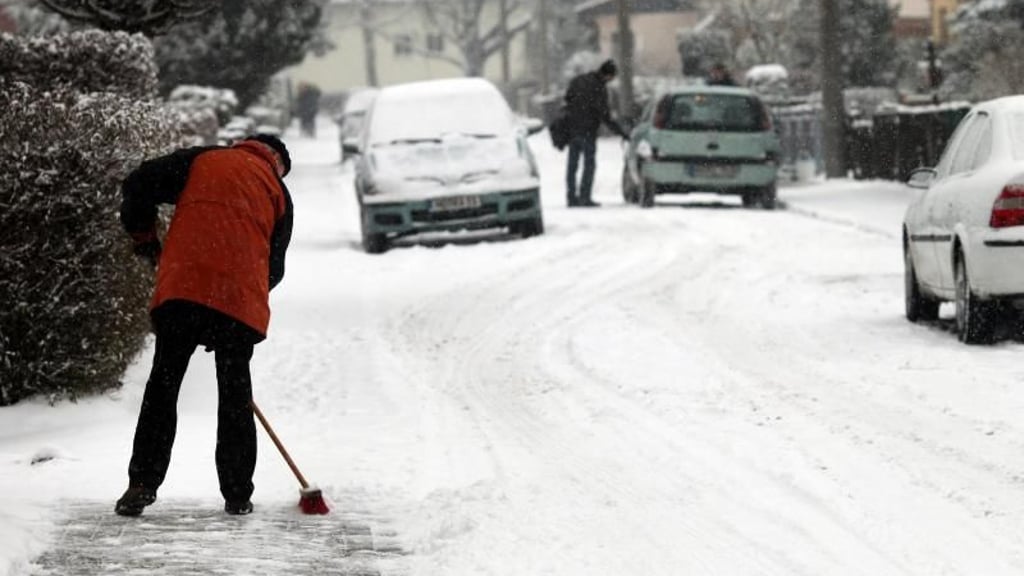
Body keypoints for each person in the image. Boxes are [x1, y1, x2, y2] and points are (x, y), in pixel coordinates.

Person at [114, 134, 294, 517]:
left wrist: (145, 238)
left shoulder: (202, 160)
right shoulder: (278, 193)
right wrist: (234, 300)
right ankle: (237, 493)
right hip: (237, 300)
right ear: (277, 163)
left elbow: (138, 182)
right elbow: (273, 270)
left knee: (163, 384)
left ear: (241, 144)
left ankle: (141, 483)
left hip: (184, 286)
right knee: (235, 394)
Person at [563, 59, 630, 208]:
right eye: (612, 77)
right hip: (587, 131)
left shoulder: (578, 81)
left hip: (573, 129)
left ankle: (571, 197)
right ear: (608, 75)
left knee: (572, 165)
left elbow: (567, 100)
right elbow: (604, 115)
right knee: (589, 164)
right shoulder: (599, 88)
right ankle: (584, 197)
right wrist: (621, 132)